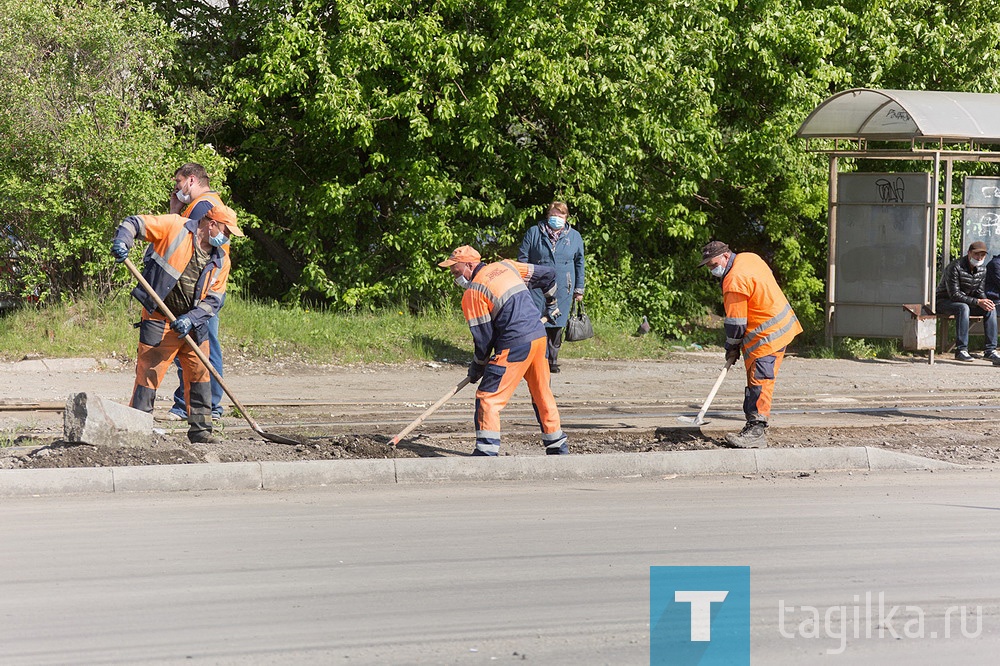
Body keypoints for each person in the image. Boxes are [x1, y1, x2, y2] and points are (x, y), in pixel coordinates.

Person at [111, 203, 244, 444]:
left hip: (194, 324)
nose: (227, 238)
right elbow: (134, 223)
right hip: (160, 318)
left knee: (200, 374)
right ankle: (137, 430)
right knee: (148, 374)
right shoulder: (175, 227)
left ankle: (201, 430)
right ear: (211, 224)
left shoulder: (221, 259)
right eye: (226, 231)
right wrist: (123, 241)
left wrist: (191, 320)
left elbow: (215, 300)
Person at [439, 245, 569, 456]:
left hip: (516, 345)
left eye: (456, 271)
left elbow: (483, 339)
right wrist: (551, 303)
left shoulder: (474, 292)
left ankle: (486, 452)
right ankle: (557, 447)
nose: (455, 277)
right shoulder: (507, 266)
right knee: (542, 394)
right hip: (538, 338)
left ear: (470, 265)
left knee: (487, 397)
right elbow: (549, 275)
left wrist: (477, 368)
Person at [700, 240, 803, 449]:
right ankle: (752, 424)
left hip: (766, 337)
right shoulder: (749, 257)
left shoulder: (734, 280)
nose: (712, 269)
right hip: (780, 325)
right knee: (758, 380)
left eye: (713, 264)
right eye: (709, 266)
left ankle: (756, 431)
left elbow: (736, 325)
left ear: (726, 256)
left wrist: (731, 347)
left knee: (760, 382)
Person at [163, 163, 230, 421]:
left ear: (191, 180)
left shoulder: (204, 205)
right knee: (196, 346)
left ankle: (204, 405)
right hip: (200, 287)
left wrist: (174, 213)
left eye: (178, 184)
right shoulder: (199, 205)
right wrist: (175, 211)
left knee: (202, 347)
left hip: (203, 291)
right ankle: (195, 403)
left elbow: (183, 241)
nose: (176, 189)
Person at [517, 201, 585, 373]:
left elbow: (579, 263)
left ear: (566, 217)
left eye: (560, 215)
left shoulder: (575, 236)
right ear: (548, 216)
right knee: (538, 322)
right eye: (554, 215)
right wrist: (523, 283)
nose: (557, 218)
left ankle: (552, 360)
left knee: (556, 323)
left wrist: (579, 289)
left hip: (564, 287)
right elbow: (523, 259)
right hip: (537, 287)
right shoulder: (534, 232)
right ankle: (540, 358)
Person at [936, 240, 999, 362]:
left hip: (967, 302)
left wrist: (985, 301)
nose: (979, 258)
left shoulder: (982, 270)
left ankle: (990, 350)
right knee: (963, 307)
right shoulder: (955, 267)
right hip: (944, 301)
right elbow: (954, 295)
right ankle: (961, 350)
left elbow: (979, 291)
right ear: (969, 253)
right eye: (976, 254)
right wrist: (977, 302)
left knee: (991, 307)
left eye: (982, 255)